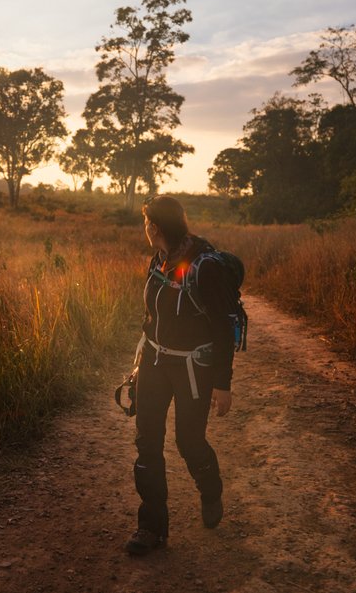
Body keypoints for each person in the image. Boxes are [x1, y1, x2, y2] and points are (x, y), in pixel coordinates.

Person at [125, 194, 239, 556]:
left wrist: (222, 384)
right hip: (156, 363)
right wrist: (140, 362)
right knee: (147, 443)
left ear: (154, 228)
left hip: (193, 368)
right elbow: (152, 318)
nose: (145, 229)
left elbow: (222, 328)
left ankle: (210, 488)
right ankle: (151, 527)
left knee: (188, 442)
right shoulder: (158, 260)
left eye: (146, 223)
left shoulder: (206, 266)